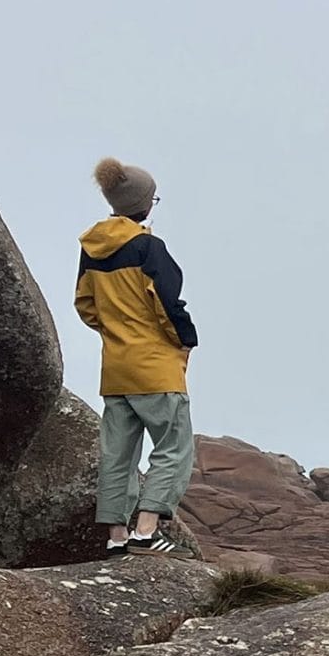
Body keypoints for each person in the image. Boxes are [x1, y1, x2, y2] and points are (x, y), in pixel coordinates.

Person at [75, 157, 199, 551]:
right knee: (173, 447)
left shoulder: (91, 249)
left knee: (118, 455)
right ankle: (146, 531)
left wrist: (116, 331)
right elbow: (167, 304)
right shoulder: (149, 247)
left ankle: (116, 538)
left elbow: (85, 306)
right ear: (143, 204)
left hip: (115, 369)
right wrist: (184, 340)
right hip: (156, 367)